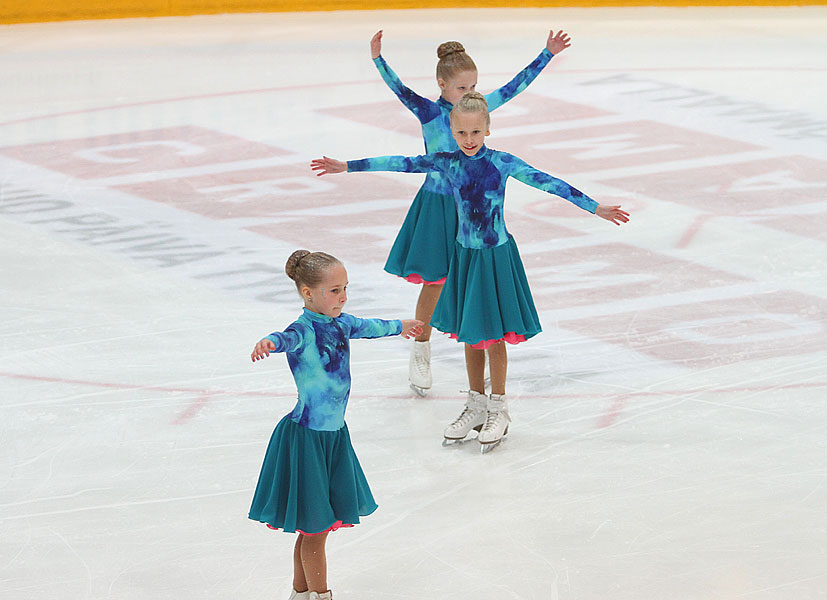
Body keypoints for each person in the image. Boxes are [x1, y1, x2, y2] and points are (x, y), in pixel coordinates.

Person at [311, 92, 629, 453]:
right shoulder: (447, 163)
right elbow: (402, 162)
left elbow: (550, 183)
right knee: (470, 335)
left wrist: (594, 207)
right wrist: (347, 166)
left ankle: (499, 407)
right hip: (464, 258)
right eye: (462, 133)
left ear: (488, 128)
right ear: (452, 130)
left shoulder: (503, 162)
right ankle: (476, 402)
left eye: (476, 131)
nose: (469, 139)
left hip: (495, 258)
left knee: (493, 335)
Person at [369, 29, 572, 396]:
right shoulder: (429, 112)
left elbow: (514, 87)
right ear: (443, 84)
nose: (472, 93)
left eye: (475, 86)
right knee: (436, 281)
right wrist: (378, 60)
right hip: (437, 204)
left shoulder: (476, 110)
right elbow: (400, 91)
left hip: (475, 211)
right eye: (463, 88)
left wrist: (547, 54)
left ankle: (488, 346)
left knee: (477, 278)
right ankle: (421, 346)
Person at [248, 250, 423, 600]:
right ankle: (321, 595)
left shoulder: (342, 323)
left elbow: (371, 326)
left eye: (345, 288)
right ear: (307, 293)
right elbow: (285, 338)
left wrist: (401, 326)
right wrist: (269, 342)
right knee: (315, 530)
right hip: (307, 440)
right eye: (333, 290)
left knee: (314, 530)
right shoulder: (304, 330)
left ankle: (302, 594)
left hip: (333, 438)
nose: (342, 297)